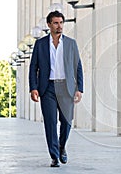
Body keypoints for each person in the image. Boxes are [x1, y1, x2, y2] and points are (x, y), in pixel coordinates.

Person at [29, 11, 83, 167]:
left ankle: (61, 147)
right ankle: (54, 156)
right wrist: (33, 87)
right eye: (55, 23)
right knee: (50, 123)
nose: (59, 26)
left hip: (66, 88)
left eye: (61, 23)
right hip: (48, 88)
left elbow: (78, 67)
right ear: (49, 25)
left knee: (66, 122)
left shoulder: (71, 43)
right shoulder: (40, 44)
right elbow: (34, 67)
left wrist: (79, 88)